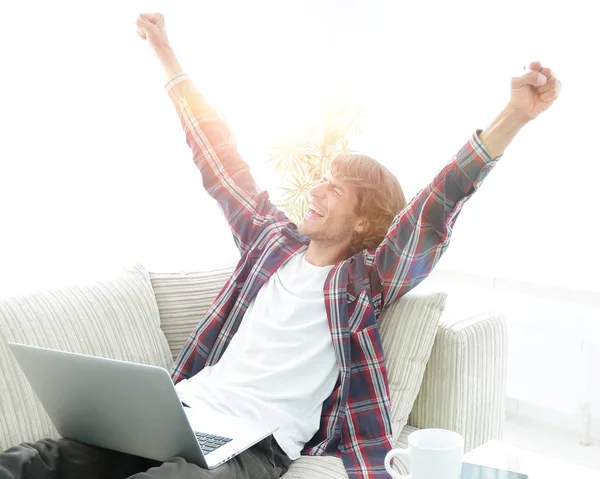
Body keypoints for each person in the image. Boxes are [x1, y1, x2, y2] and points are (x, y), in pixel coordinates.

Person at [0, 12, 562, 479]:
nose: (316, 189)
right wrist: (167, 56)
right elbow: (220, 159)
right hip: (184, 412)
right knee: (32, 463)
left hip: (253, 446)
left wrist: (513, 114)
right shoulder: (270, 243)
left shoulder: (364, 280)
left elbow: (435, 207)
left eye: (335, 188)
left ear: (365, 224)